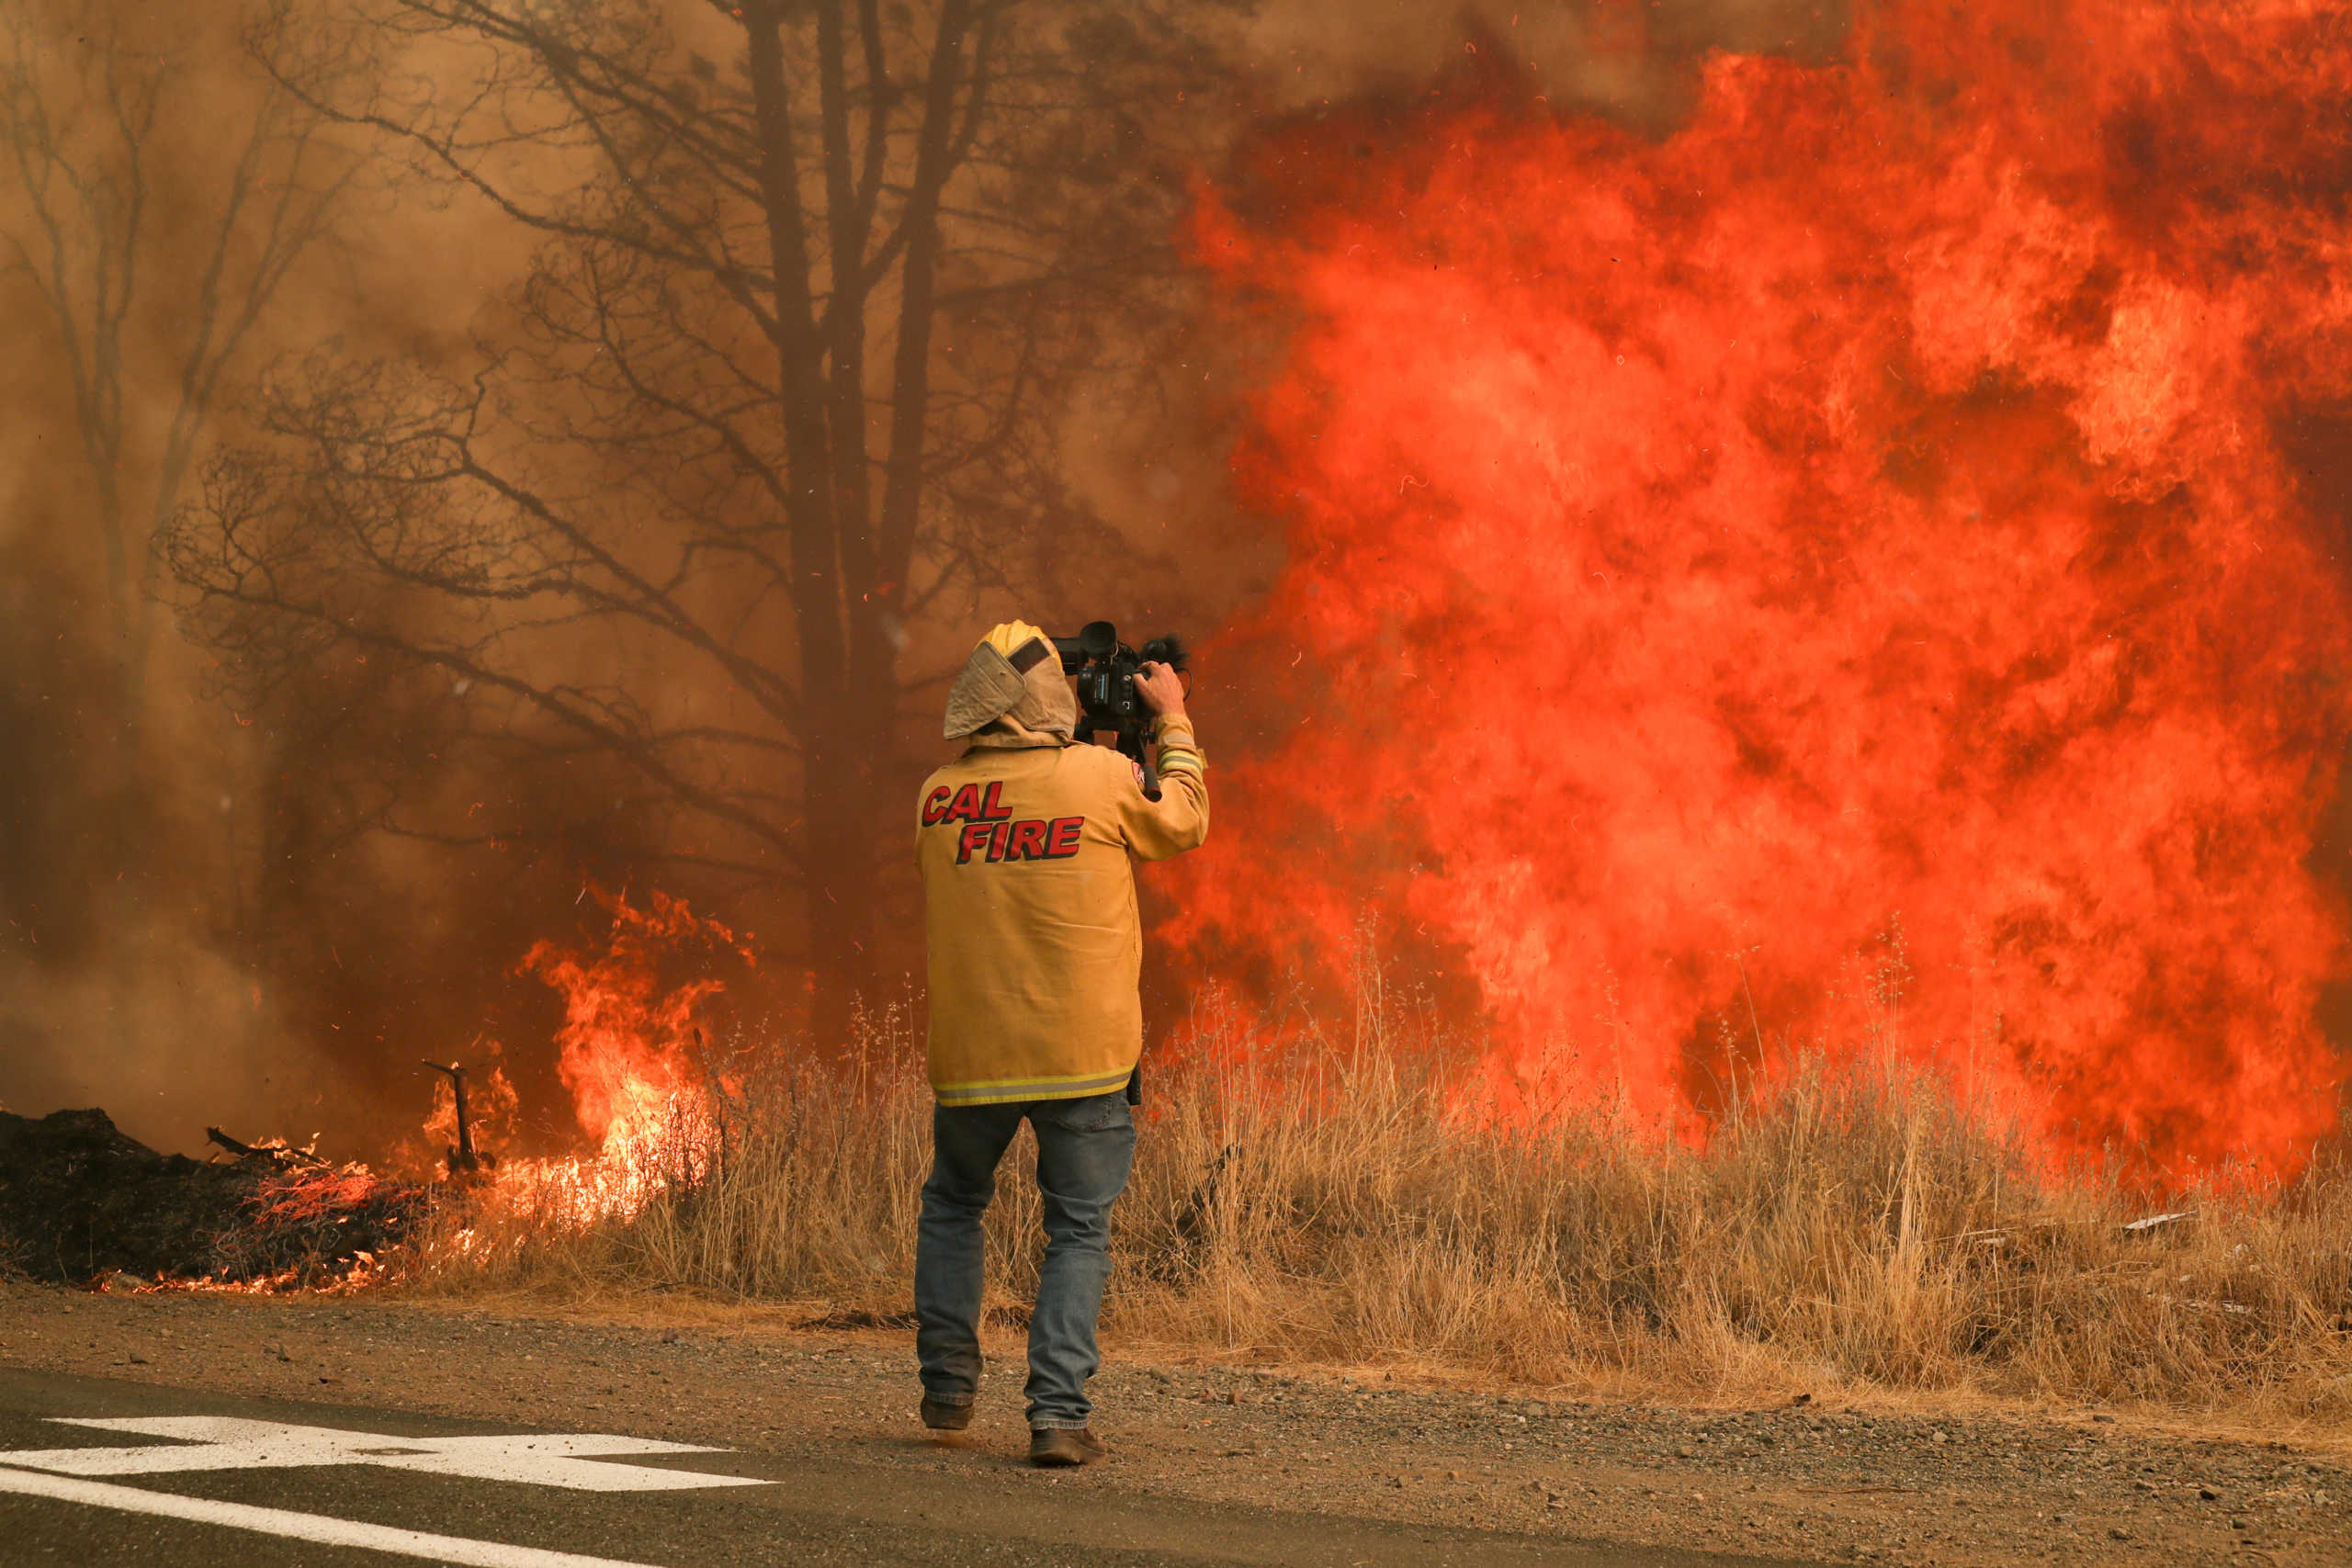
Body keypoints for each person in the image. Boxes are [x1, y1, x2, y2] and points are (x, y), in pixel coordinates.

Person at [912, 619, 1208, 1467]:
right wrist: (1172, 719)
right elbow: (1184, 819)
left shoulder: (936, 797)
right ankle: (1057, 1417)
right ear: (1051, 696)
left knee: (954, 1203)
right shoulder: (1102, 778)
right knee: (1077, 1231)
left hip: (973, 1057)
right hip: (1084, 1054)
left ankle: (948, 1386)